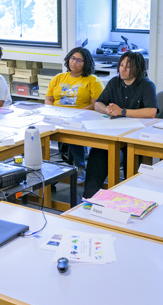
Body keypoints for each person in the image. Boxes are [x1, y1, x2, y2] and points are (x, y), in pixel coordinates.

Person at [83, 51, 157, 198]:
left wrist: (122, 111)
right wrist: (108, 110)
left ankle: (131, 198)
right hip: (112, 133)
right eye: (121, 65)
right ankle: (89, 197)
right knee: (98, 152)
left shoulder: (147, 85)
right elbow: (98, 104)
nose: (122, 69)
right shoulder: (114, 82)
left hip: (137, 136)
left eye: (128, 67)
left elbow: (151, 112)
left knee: (134, 161)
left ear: (137, 68)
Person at [45, 47, 103, 182]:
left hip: (81, 117)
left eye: (79, 60)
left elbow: (96, 104)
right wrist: (51, 111)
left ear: (86, 63)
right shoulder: (58, 78)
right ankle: (44, 167)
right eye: (72, 58)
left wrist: (76, 113)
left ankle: (80, 166)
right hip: (57, 116)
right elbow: (48, 99)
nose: (74, 62)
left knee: (72, 129)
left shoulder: (93, 81)